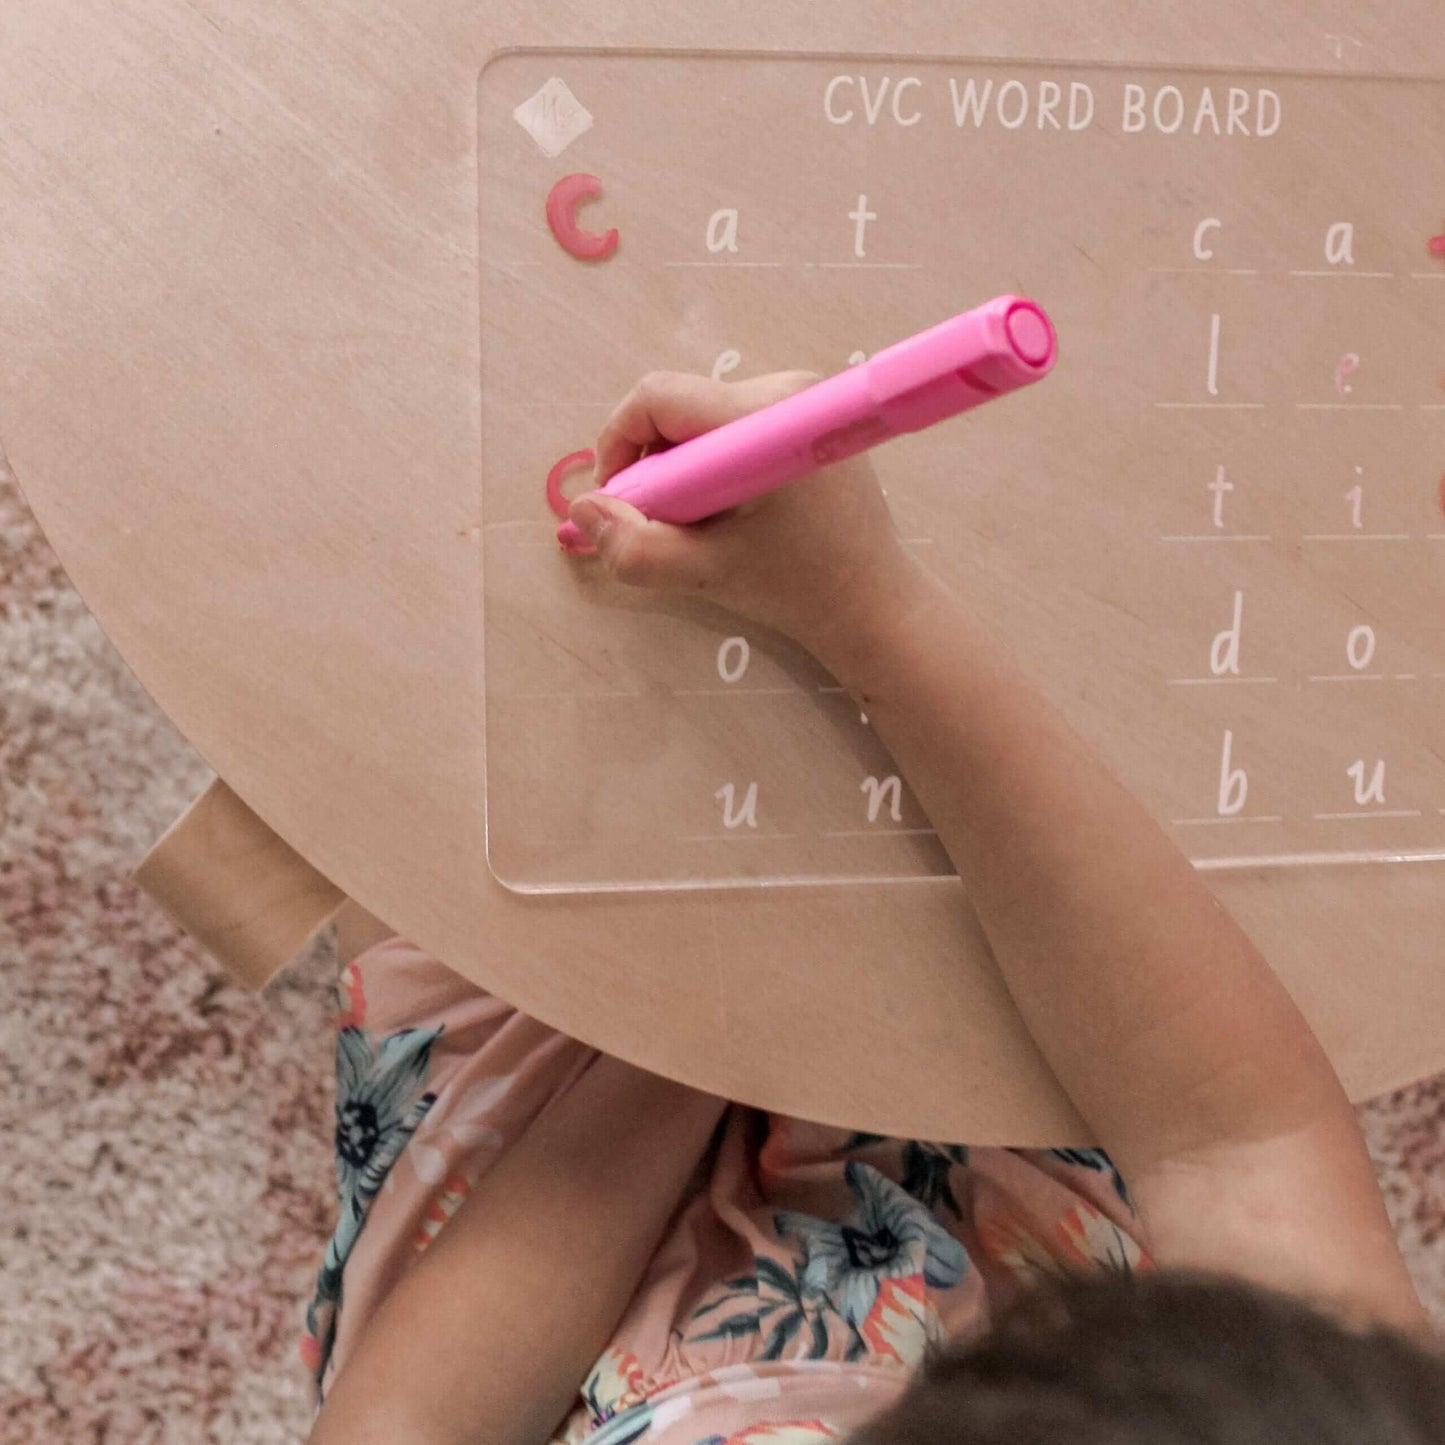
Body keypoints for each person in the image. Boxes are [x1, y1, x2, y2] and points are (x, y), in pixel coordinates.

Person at [302, 370, 1443, 1445]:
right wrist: (865, 605)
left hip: (555, 1264)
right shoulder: (1299, 1407)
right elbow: (1234, 1135)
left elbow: (408, 1422)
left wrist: (720, 1022)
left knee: (433, 777)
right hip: (1037, 1188)